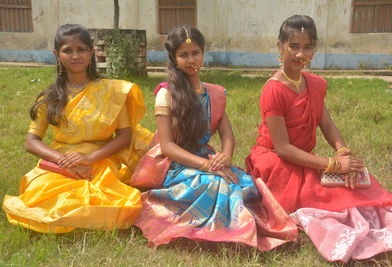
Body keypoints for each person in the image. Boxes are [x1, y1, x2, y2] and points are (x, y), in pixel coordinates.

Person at [245, 15, 392, 262]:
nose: (300, 54)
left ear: (315, 48)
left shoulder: (314, 84)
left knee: (361, 183)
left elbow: (326, 123)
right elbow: (283, 148)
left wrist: (342, 152)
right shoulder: (273, 89)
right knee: (326, 198)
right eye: (293, 46)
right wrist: (333, 165)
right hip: (277, 162)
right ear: (280, 46)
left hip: (307, 159)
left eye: (307, 47)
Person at [133, 26, 297, 250]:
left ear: (203, 52)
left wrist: (225, 157)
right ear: (174, 58)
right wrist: (207, 165)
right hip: (174, 164)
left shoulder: (215, 93)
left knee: (244, 183)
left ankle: (235, 230)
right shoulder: (166, 94)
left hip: (207, 159)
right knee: (214, 183)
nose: (191, 59)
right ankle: (214, 233)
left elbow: (227, 135)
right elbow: (167, 146)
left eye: (195, 53)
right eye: (184, 55)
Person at [2, 24, 153, 233]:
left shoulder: (113, 91)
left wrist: (91, 158)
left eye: (81, 49)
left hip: (100, 160)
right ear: (57, 54)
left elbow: (125, 136)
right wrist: (62, 162)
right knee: (40, 193)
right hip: (60, 161)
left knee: (116, 200)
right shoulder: (50, 97)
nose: (75, 56)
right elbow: (31, 141)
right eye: (68, 50)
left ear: (91, 53)